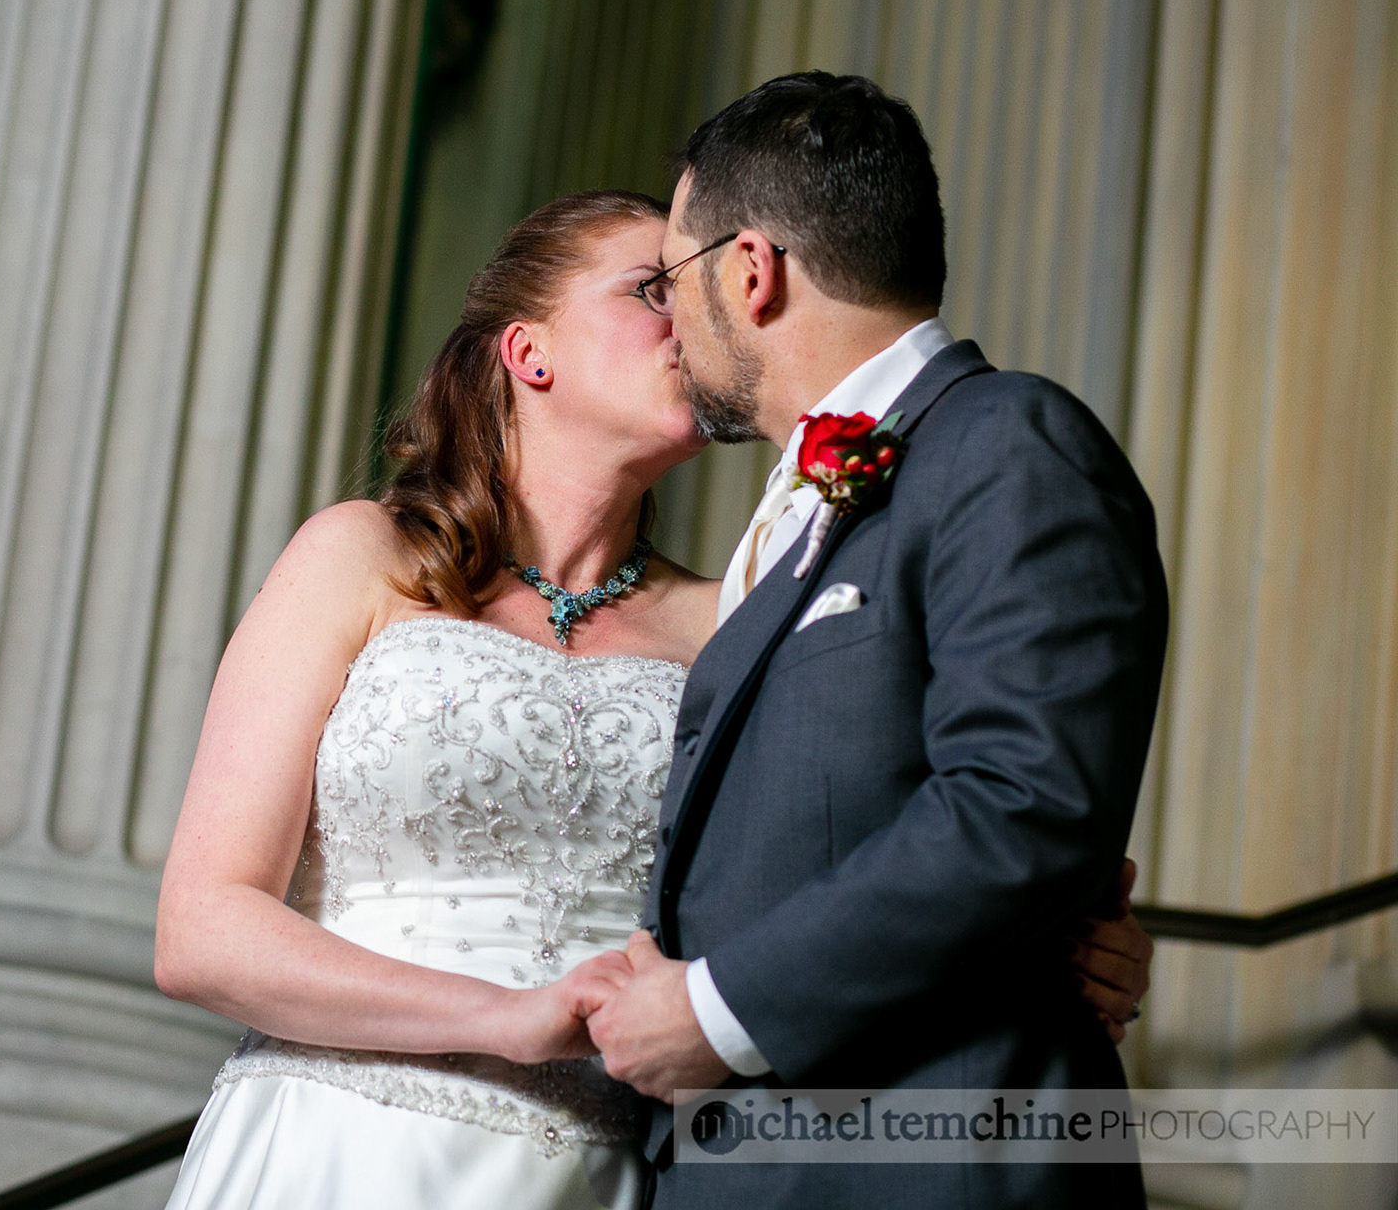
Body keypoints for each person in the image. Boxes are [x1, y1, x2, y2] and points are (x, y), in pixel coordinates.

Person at [154, 181, 1154, 1208]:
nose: (690, 317)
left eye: (692, 285)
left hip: (613, 1167)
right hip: (338, 1145)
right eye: (650, 289)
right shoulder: (359, 557)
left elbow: (868, 848)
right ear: (528, 351)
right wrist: (504, 1016)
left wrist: (1052, 940)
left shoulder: (743, 618)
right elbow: (202, 928)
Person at [585, 72, 1168, 1207]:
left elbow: (1024, 801)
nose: (670, 321)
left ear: (749, 272)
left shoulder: (1006, 441)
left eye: (671, 278)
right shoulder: (790, 511)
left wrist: (716, 1012)